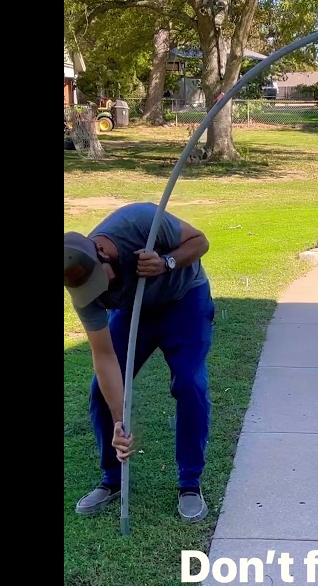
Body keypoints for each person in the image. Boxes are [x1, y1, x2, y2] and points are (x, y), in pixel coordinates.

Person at [63, 203, 215, 522]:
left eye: (99, 282)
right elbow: (104, 357)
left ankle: (189, 485)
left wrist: (166, 261)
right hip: (134, 313)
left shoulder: (140, 221)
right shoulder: (81, 287)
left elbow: (200, 242)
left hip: (184, 299)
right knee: (100, 393)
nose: (97, 292)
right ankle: (112, 481)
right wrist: (119, 420)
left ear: (103, 250)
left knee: (190, 384)